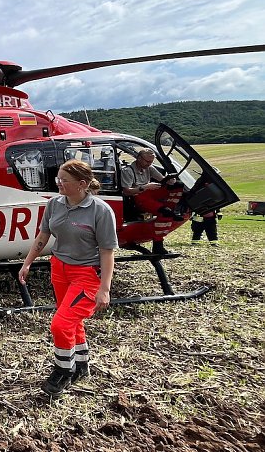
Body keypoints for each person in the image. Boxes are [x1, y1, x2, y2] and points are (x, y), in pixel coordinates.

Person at [19, 159, 118, 397]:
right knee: (73, 321)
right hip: (59, 269)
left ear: (82, 184)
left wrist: (104, 288)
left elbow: (107, 251)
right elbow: (44, 234)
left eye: (64, 180)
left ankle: (63, 371)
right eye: (58, 179)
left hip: (86, 273)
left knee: (61, 324)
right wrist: (28, 262)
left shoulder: (101, 211)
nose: (58, 184)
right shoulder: (54, 204)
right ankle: (82, 365)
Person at [120, 148, 185, 255]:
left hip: (149, 193)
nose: (149, 164)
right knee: (164, 212)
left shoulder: (149, 168)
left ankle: (169, 209)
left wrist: (170, 181)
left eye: (151, 162)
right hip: (137, 196)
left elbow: (162, 179)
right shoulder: (128, 171)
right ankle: (158, 245)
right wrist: (145, 187)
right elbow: (126, 191)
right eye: (147, 161)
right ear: (139, 158)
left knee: (178, 186)